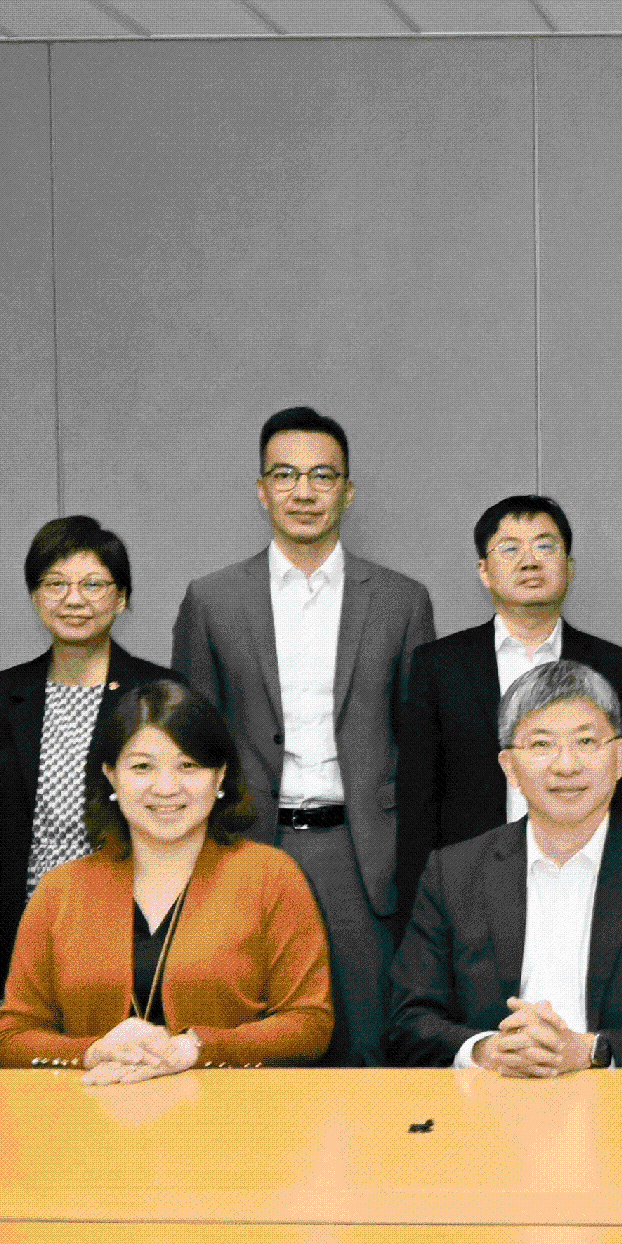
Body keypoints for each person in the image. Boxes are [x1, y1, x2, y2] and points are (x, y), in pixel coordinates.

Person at [170, 406, 436, 1066]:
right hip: (250, 842)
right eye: (285, 474)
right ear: (261, 490)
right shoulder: (212, 600)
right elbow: (191, 743)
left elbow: (419, 747)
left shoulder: (402, 601)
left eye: (322, 475)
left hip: (362, 854)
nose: (304, 490)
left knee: (369, 1043)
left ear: (348, 491)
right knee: (255, 1043)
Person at [381, 659, 622, 1073]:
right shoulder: (453, 872)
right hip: (489, 1104)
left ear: (620, 759)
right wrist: (484, 1049)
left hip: (621, 1109)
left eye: (586, 742)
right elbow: (407, 1021)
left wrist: (591, 1050)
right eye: (541, 744)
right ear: (509, 767)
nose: (566, 765)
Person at [0, 675, 335, 1080]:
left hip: (234, 1122)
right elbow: (12, 1036)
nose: (166, 787)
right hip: (89, 1119)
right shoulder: (61, 888)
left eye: (188, 766)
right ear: (110, 776)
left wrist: (194, 1048)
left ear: (220, 776)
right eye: (142, 766)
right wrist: (92, 1051)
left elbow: (310, 1024)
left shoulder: (272, 876)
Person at [389, 493, 622, 930]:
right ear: (484, 571)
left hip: (591, 882)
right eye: (509, 548)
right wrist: (418, 913)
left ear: (569, 566)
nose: (529, 560)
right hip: (471, 887)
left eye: (545, 546)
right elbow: (418, 801)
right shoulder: (438, 666)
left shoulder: (617, 668)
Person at [0, 515, 173, 1029]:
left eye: (94, 584)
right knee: (37, 1074)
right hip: (25, 923)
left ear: (121, 599)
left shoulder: (157, 692)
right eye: (56, 584)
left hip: (133, 923)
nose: (75, 600)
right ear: (34, 597)